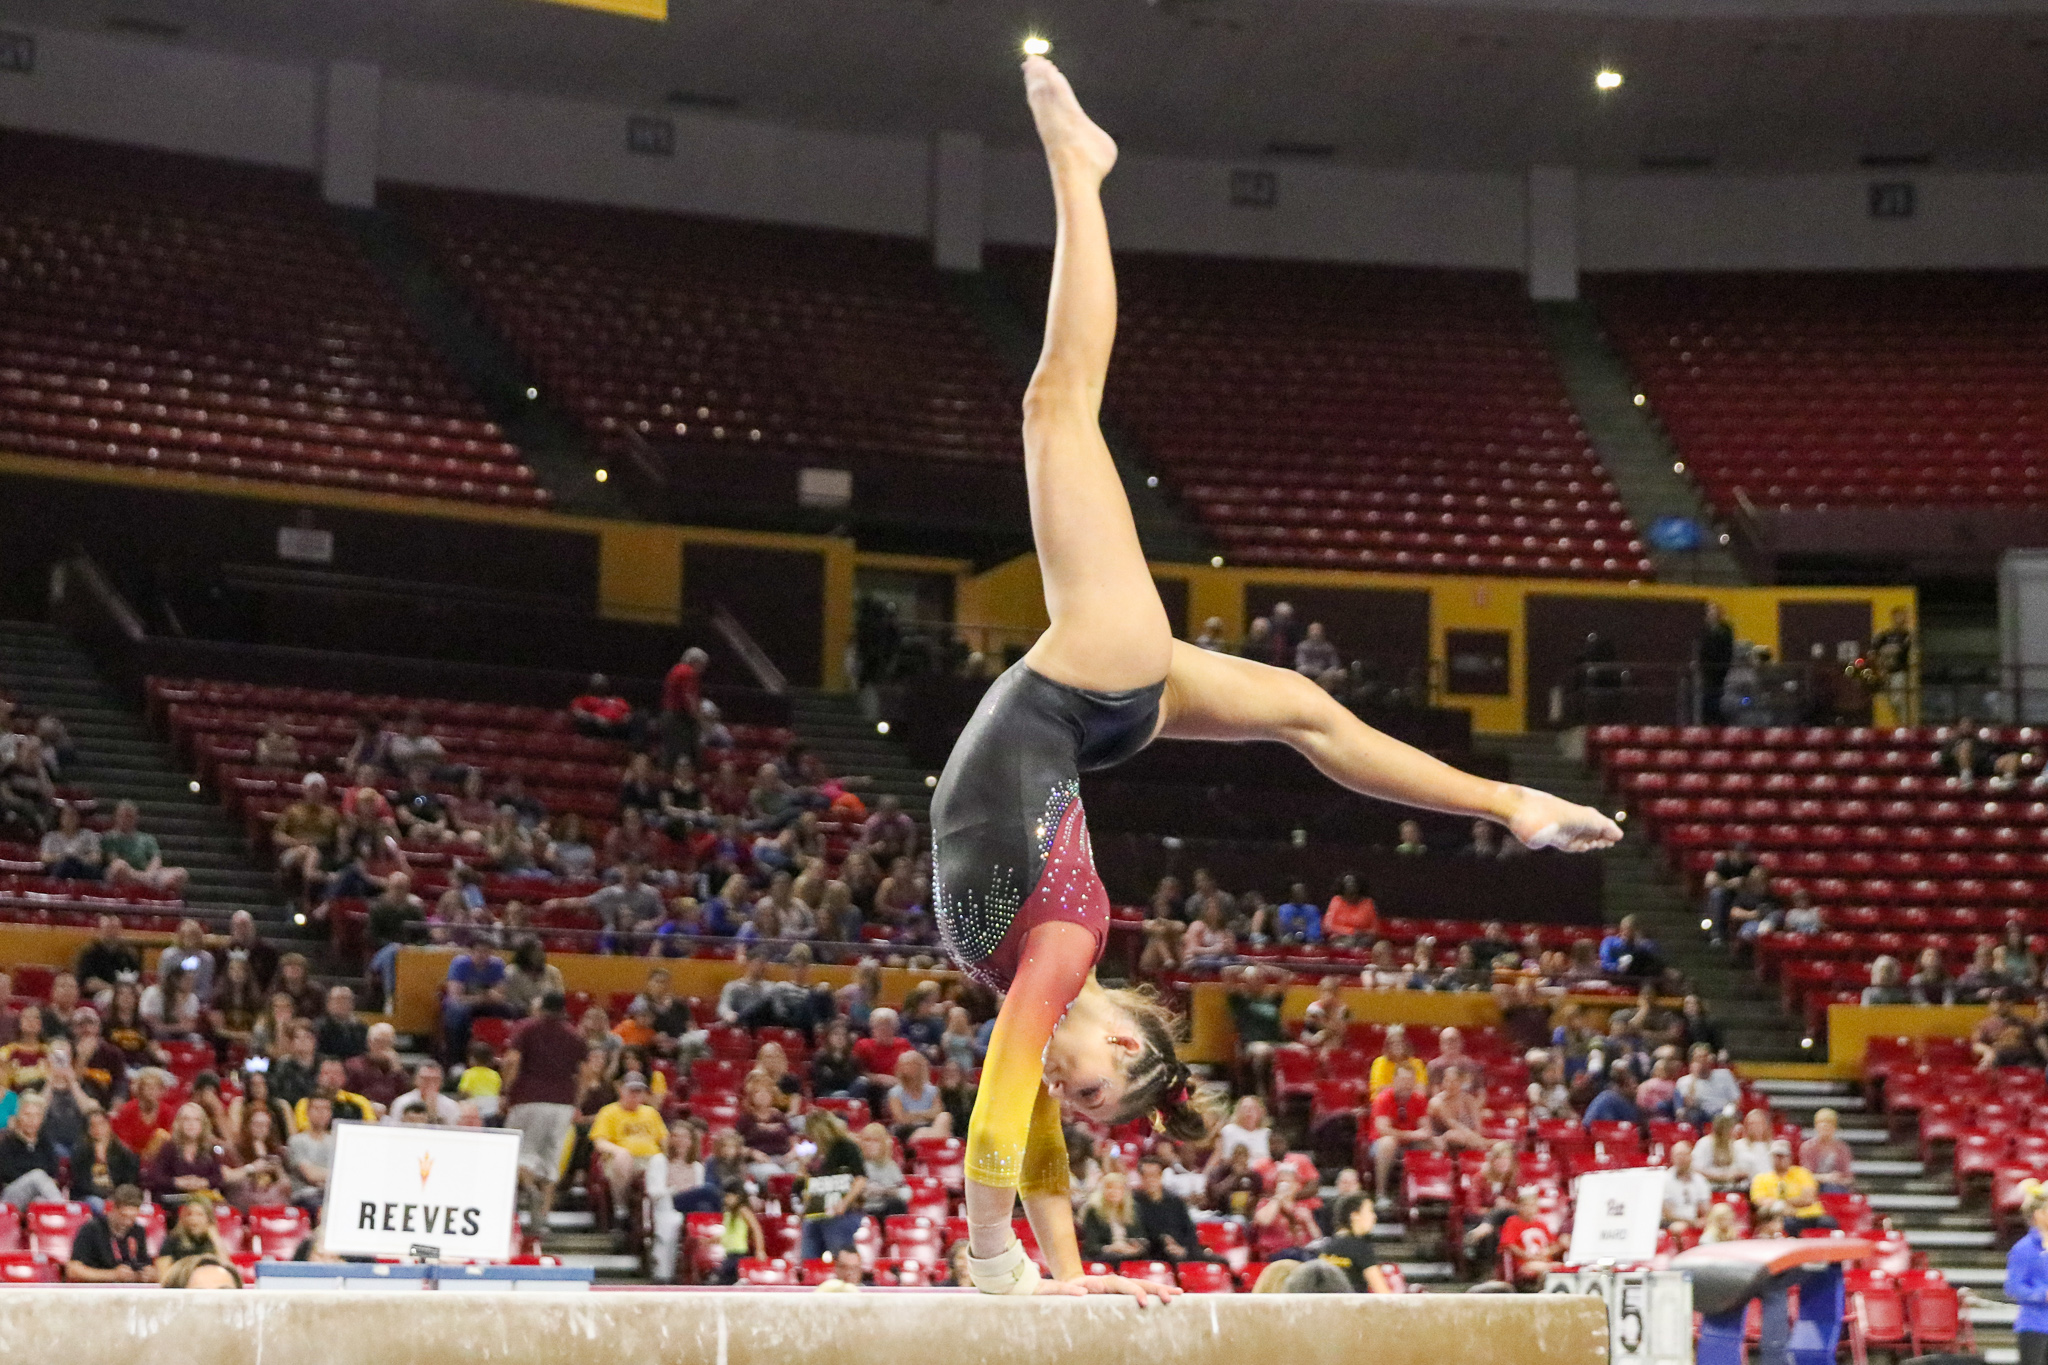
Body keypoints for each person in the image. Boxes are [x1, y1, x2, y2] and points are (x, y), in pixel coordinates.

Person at [928, 57, 1617, 1304]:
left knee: (1310, 719)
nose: (1062, 1091)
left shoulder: (1045, 979)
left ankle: (1512, 807)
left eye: (1074, 1097)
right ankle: (1081, 176)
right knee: (1056, 408)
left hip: (1094, 715)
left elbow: (1023, 1128)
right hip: (1086, 685)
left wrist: (1065, 1278)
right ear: (1125, 1032)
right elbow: (1002, 1104)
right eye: (1088, 1084)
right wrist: (994, 1269)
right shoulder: (1064, 951)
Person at [589, 1072, 668, 1220]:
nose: (635, 1095)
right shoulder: (609, 1112)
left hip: (650, 1159)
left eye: (639, 1092)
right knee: (623, 1158)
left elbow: (663, 1140)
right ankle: (620, 1204)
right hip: (620, 1160)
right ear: (622, 1090)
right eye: (632, 1091)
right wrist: (619, 1151)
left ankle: (660, 1209)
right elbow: (599, 1142)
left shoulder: (651, 1113)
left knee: (661, 1161)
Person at [798, 1109, 868, 1261]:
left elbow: (860, 1179)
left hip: (841, 1214)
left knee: (841, 1257)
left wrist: (844, 1202)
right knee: (808, 1259)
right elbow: (809, 1182)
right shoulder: (815, 1153)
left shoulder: (847, 1147)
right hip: (816, 1213)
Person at [1367, 1065, 1436, 1210]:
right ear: (1395, 1080)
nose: (1407, 1084)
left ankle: (1429, 1191)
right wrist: (1412, 1134)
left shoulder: (1419, 1099)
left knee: (1434, 1144)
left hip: (1410, 1142)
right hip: (1382, 1144)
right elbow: (1383, 1129)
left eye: (1411, 1081)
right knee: (1388, 1143)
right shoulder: (1383, 1099)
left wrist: (1420, 1135)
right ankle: (1381, 1193)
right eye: (1403, 1080)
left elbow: (1426, 1128)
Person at [65, 1184, 158, 1283]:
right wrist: (112, 1275)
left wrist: (148, 1274)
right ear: (114, 1208)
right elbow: (73, 1270)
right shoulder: (91, 1229)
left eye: (132, 1217)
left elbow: (144, 1264)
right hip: (97, 1290)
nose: (127, 1222)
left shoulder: (138, 1231)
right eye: (123, 1216)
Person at [100, 800, 188, 895]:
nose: (126, 819)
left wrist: (149, 874)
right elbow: (113, 860)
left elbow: (156, 859)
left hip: (149, 874)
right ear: (116, 817)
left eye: (130, 816)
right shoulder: (109, 838)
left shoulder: (147, 838)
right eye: (123, 816)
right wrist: (141, 877)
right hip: (127, 873)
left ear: (136, 818)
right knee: (118, 866)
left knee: (181, 873)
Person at [1751, 1139, 1835, 1235]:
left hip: (1811, 1216)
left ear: (1789, 1157)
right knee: (1786, 1224)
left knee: (1829, 1223)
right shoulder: (1760, 1179)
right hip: (1784, 1218)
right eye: (1777, 1156)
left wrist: (1783, 1203)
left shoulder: (1803, 1173)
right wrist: (1786, 1206)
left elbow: (1808, 1199)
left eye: (1783, 1156)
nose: (1780, 1159)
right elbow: (1760, 1201)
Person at [1315, 1191, 1393, 1293]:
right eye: (1370, 1211)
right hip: (1352, 1306)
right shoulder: (1360, 1248)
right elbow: (1383, 1292)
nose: (1374, 1217)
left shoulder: (1326, 1246)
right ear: (1355, 1215)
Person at [2006, 1180, 2048, 1365]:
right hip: (2035, 1325)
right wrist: (2042, 1295)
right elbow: (2013, 1286)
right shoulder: (2023, 1249)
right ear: (2039, 1214)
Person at [0, 1092, 62, 1208]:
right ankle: (63, 1209)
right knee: (37, 1175)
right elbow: (7, 1173)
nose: (31, 1120)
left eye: (36, 1116)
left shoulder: (45, 1142)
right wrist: (33, 1179)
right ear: (18, 1116)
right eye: (27, 1115)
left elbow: (53, 1170)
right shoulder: (7, 1142)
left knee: (41, 1202)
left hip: (38, 1194)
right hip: (11, 1195)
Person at [1499, 1187, 1568, 1286]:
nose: (1529, 1209)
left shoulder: (1541, 1224)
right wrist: (1527, 1256)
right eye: (1526, 1206)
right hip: (1524, 1264)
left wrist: (1549, 1251)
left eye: (1533, 1206)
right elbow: (1508, 1244)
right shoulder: (1513, 1222)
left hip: (1543, 1261)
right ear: (1519, 1206)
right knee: (1546, 1268)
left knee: (1562, 1268)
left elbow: (1553, 1244)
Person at [1080, 1169, 1148, 1262]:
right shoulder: (1093, 1211)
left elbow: (1140, 1235)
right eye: (1109, 1188)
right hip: (1104, 1255)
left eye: (1118, 1188)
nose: (1114, 1191)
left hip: (1128, 1253)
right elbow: (1092, 1245)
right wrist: (1113, 1248)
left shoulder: (1132, 1209)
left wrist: (1136, 1245)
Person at [287, 1094, 337, 1211]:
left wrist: (324, 1176)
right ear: (308, 1112)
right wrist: (335, 1174)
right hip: (306, 1195)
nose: (321, 1113)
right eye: (316, 1109)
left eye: (325, 1109)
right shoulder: (297, 1141)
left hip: (331, 1193)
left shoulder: (336, 1141)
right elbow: (311, 1175)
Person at [1800, 1107, 1857, 1190]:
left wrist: (1838, 1179)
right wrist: (1826, 1178)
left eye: (1829, 1126)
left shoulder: (1842, 1148)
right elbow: (1806, 1175)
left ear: (1835, 1128)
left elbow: (1849, 1177)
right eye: (1822, 1127)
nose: (1825, 1130)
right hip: (1814, 1186)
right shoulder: (1808, 1147)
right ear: (1816, 1127)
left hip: (1837, 1185)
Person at [1662, 1141, 1712, 1234]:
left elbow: (1705, 1208)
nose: (1682, 1159)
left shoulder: (1700, 1180)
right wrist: (1692, 1222)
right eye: (1678, 1155)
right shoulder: (1665, 1180)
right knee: (1677, 1228)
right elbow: (1667, 1213)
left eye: (1684, 1155)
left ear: (1691, 1157)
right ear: (1672, 1158)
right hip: (1673, 1222)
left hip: (1695, 1220)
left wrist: (1704, 1220)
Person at [1698, 602, 1735, 725]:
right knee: (1708, 698)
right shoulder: (1705, 630)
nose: (1709, 614)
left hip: (1720, 669)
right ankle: (1710, 722)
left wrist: (1723, 667)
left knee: (1714, 697)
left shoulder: (1725, 629)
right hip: (1708, 670)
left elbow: (1726, 649)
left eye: (1712, 611)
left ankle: (1719, 722)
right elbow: (1703, 649)